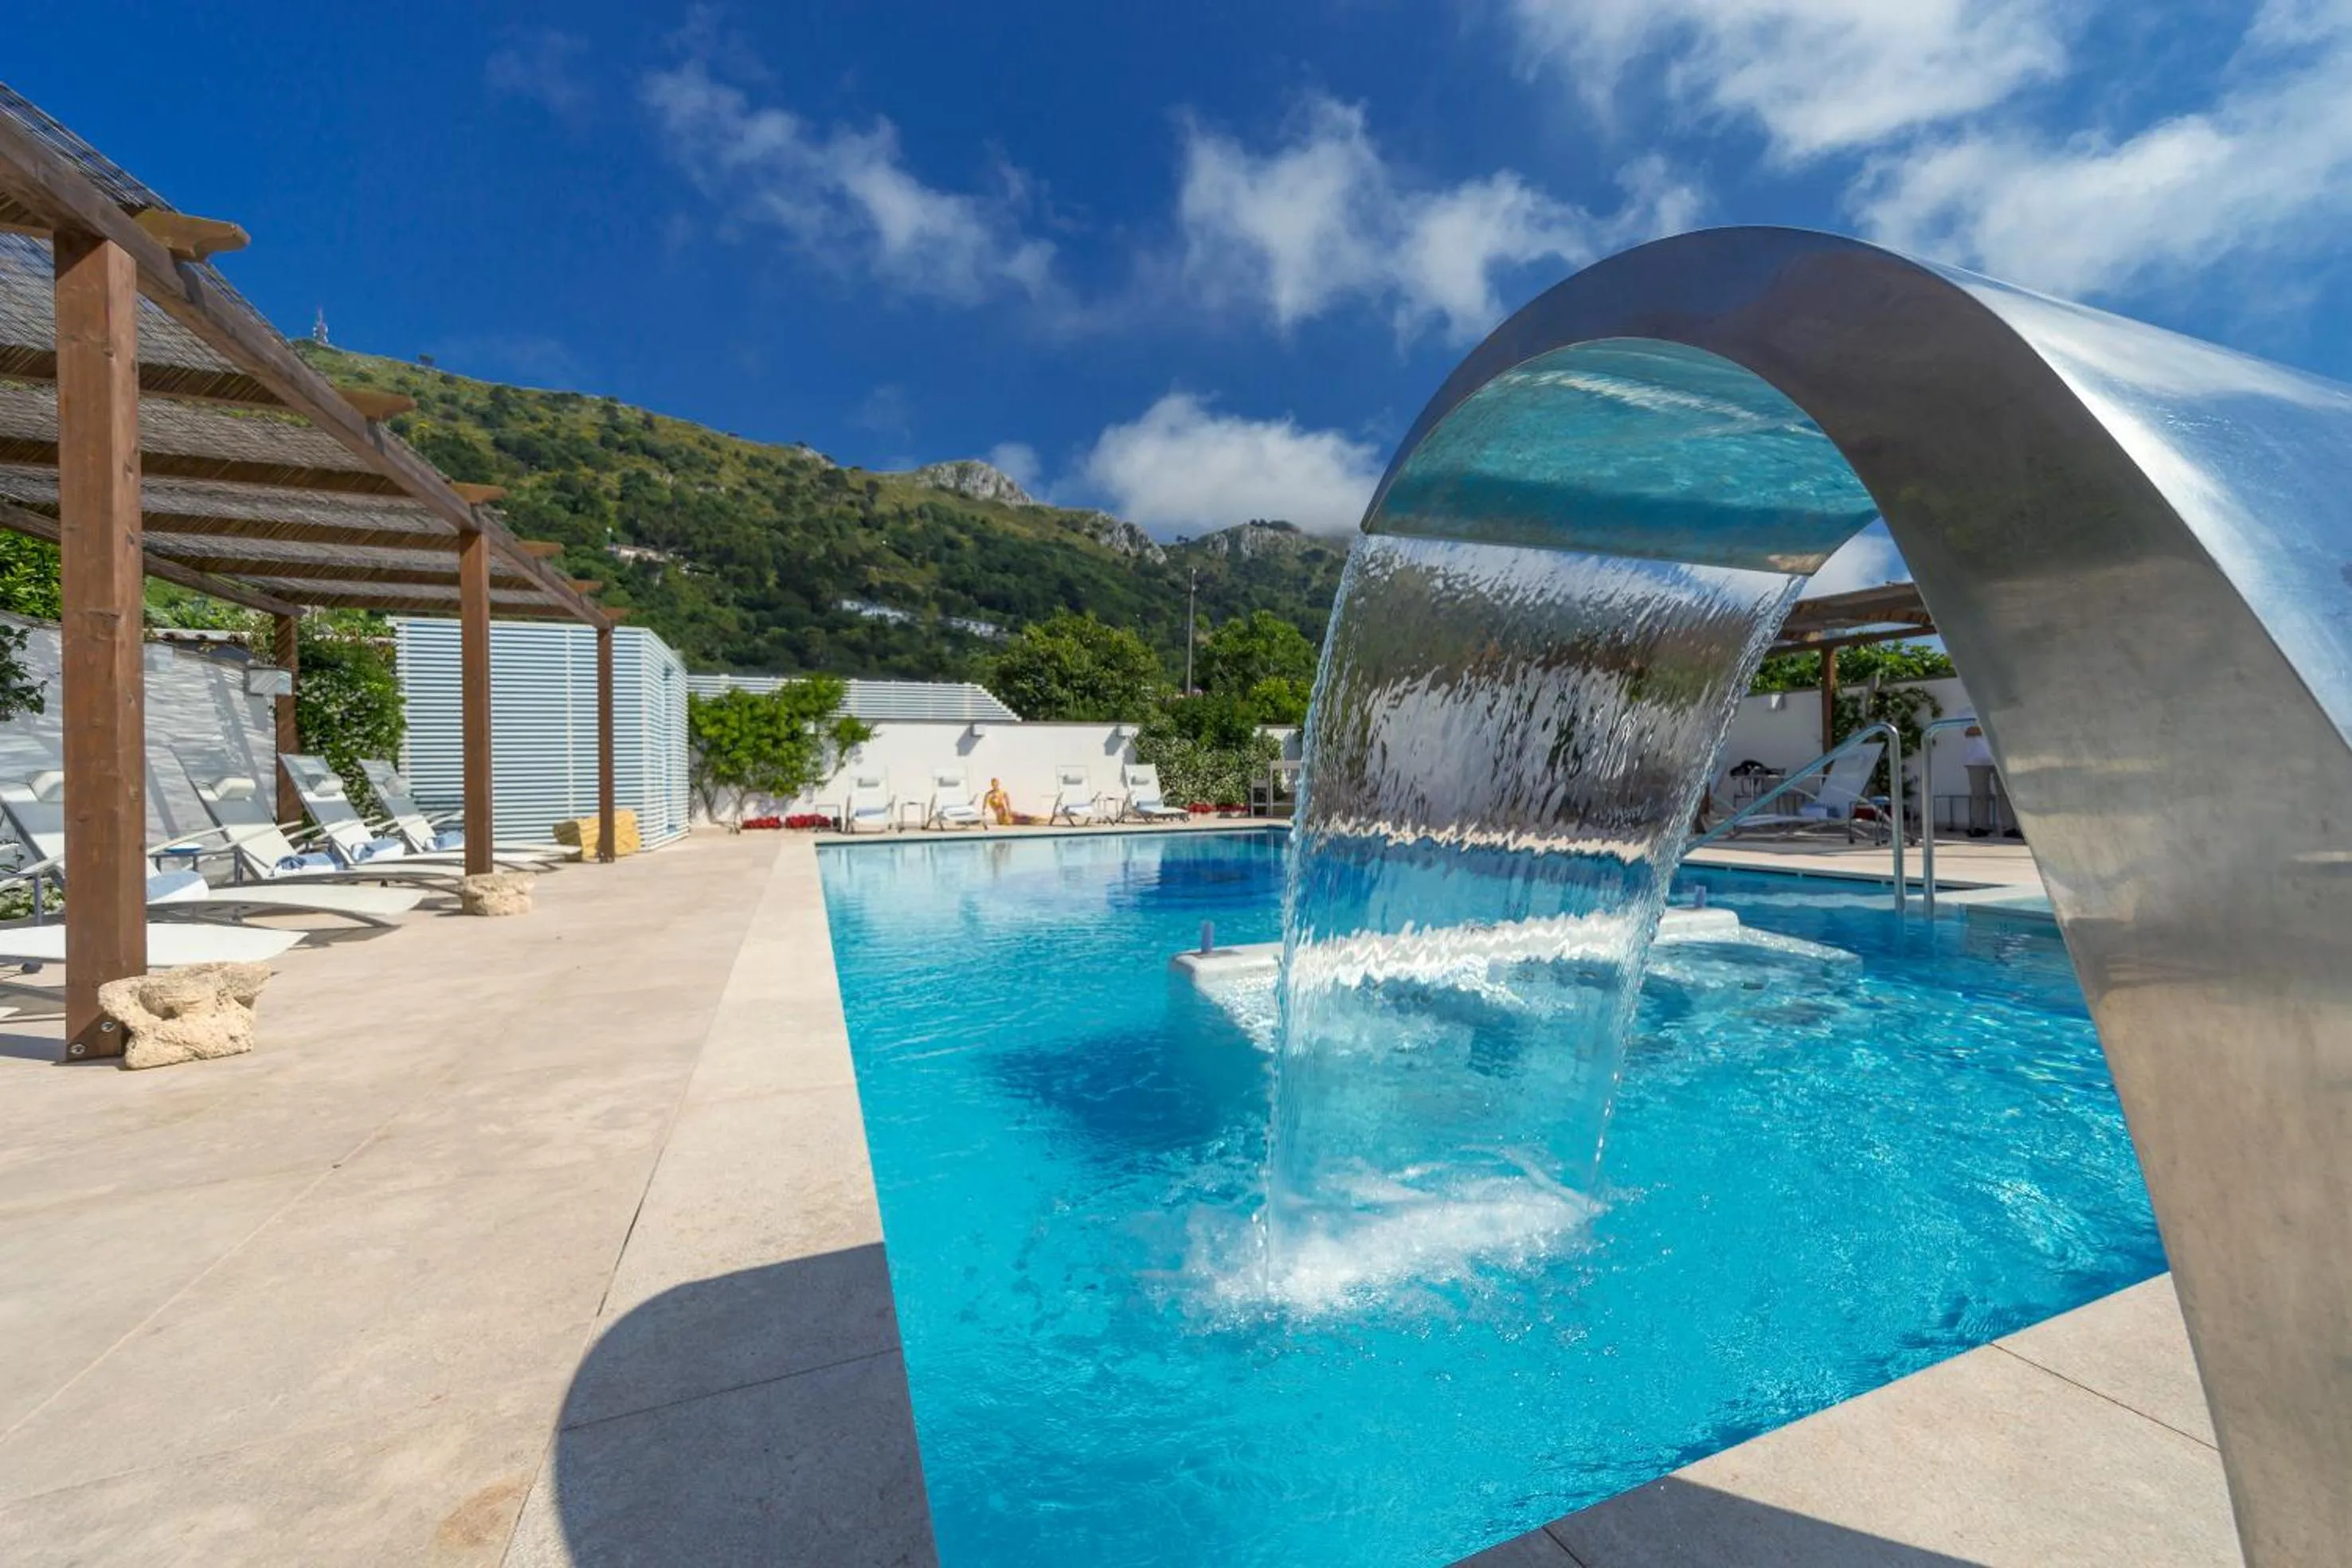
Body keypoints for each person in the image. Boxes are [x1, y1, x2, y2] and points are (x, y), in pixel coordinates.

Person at [1961, 718, 1998, 837]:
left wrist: (1984, 728)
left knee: (2007, 795)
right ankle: (1981, 827)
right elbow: (1970, 731)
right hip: (1976, 759)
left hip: (2001, 756)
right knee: (1979, 795)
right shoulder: (1967, 711)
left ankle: (2011, 828)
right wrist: (1996, 727)